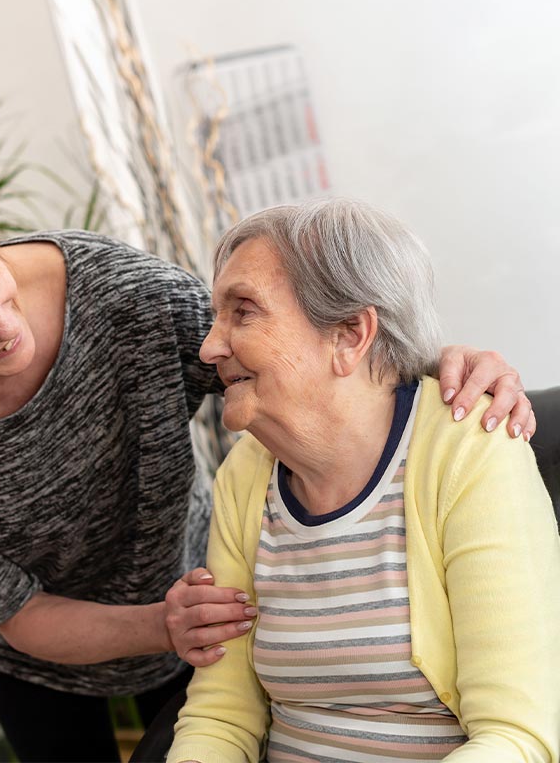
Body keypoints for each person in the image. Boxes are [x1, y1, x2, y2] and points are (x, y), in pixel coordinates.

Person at [0, 173, 535, 762]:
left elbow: (296, 350)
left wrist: (440, 362)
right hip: (52, 653)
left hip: (195, 604)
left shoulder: (118, 296)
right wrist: (163, 624)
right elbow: (21, 614)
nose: (1, 325)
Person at [167, 199, 560, 763]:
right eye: (216, 316)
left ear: (350, 334)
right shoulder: (246, 474)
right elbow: (221, 716)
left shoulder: (469, 453)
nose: (210, 347)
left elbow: (515, 736)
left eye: (244, 311)